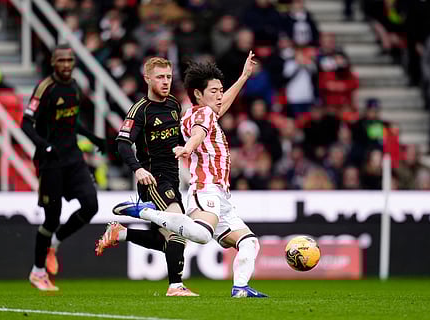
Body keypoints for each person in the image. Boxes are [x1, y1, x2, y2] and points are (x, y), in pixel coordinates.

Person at [110, 52, 268, 298]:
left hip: (217, 194)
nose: (219, 95)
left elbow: (219, 106)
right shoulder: (194, 113)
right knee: (198, 234)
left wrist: (244, 76)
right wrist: (188, 147)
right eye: (214, 90)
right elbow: (198, 132)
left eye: (168, 76)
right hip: (202, 187)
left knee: (248, 242)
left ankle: (240, 288)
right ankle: (143, 215)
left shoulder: (179, 107)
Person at [95, 57, 198, 297]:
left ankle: (121, 233)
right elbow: (121, 143)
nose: (165, 82)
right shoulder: (140, 110)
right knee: (180, 228)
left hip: (172, 178)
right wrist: (138, 169)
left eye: (169, 77)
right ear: (147, 79)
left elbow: (177, 138)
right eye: (160, 77)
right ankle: (175, 286)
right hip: (153, 179)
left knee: (165, 239)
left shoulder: (173, 104)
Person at [21, 44, 106, 291]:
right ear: (52, 62)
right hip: (51, 163)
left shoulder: (74, 87)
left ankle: (55, 243)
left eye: (70, 60)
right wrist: (43, 145)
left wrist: (92, 137)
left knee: (91, 205)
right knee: (51, 217)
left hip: (74, 158)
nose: (66, 64)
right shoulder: (45, 88)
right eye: (61, 60)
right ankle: (37, 272)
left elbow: (72, 121)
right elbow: (25, 123)